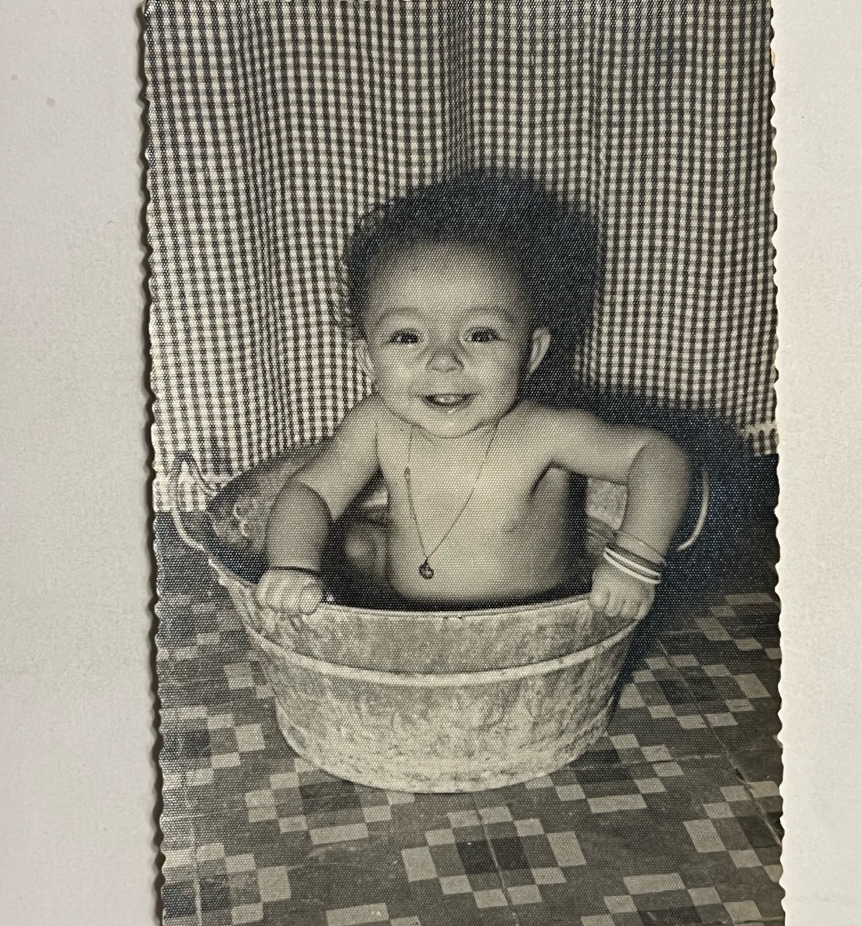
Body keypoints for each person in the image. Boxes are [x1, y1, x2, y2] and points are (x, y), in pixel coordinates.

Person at [256, 173, 692, 620]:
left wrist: (634, 562)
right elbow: (312, 490)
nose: (444, 359)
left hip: (534, 619)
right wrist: (294, 565)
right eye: (407, 336)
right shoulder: (375, 423)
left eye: (481, 334)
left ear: (531, 353)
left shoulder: (544, 432)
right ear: (367, 358)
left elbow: (659, 456)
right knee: (344, 543)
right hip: (397, 609)